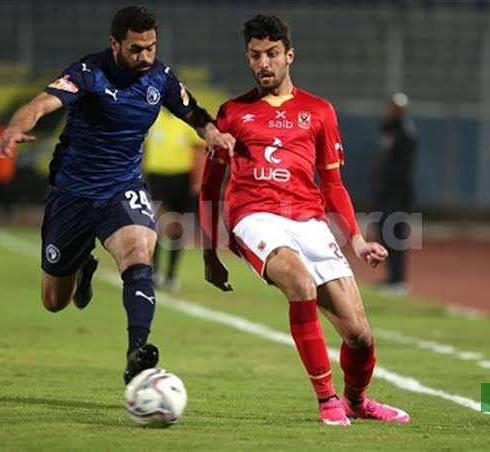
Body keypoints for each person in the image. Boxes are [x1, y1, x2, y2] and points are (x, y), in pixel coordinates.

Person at [0, 6, 234, 384]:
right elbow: (41, 104)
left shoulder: (161, 77)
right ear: (115, 43)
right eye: (136, 49)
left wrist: (213, 133)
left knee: (139, 251)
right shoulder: (89, 73)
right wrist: (12, 130)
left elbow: (193, 112)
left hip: (122, 188)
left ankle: (137, 351)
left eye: (151, 47)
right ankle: (82, 267)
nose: (145, 57)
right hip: (72, 193)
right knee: (54, 301)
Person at [199, 15, 410, 426]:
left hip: (308, 219)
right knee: (299, 282)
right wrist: (210, 251)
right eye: (255, 55)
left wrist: (356, 240)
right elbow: (209, 188)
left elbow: (333, 184)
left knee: (360, 335)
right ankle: (326, 398)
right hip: (253, 216)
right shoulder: (231, 114)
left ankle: (356, 400)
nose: (264, 63)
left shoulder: (318, 111)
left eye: (272, 54)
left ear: (289, 55)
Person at [143, 110, 205, 291]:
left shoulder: (188, 118)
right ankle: (153, 272)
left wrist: (198, 180)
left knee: (178, 227)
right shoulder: (151, 115)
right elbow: (140, 147)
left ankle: (171, 275)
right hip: (156, 177)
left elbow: (199, 150)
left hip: (182, 178)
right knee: (156, 223)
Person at [372, 92, 417, 295]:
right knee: (384, 233)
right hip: (386, 194)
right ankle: (392, 278)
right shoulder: (389, 129)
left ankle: (399, 280)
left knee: (395, 235)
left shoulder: (405, 131)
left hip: (398, 194)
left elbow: (403, 167)